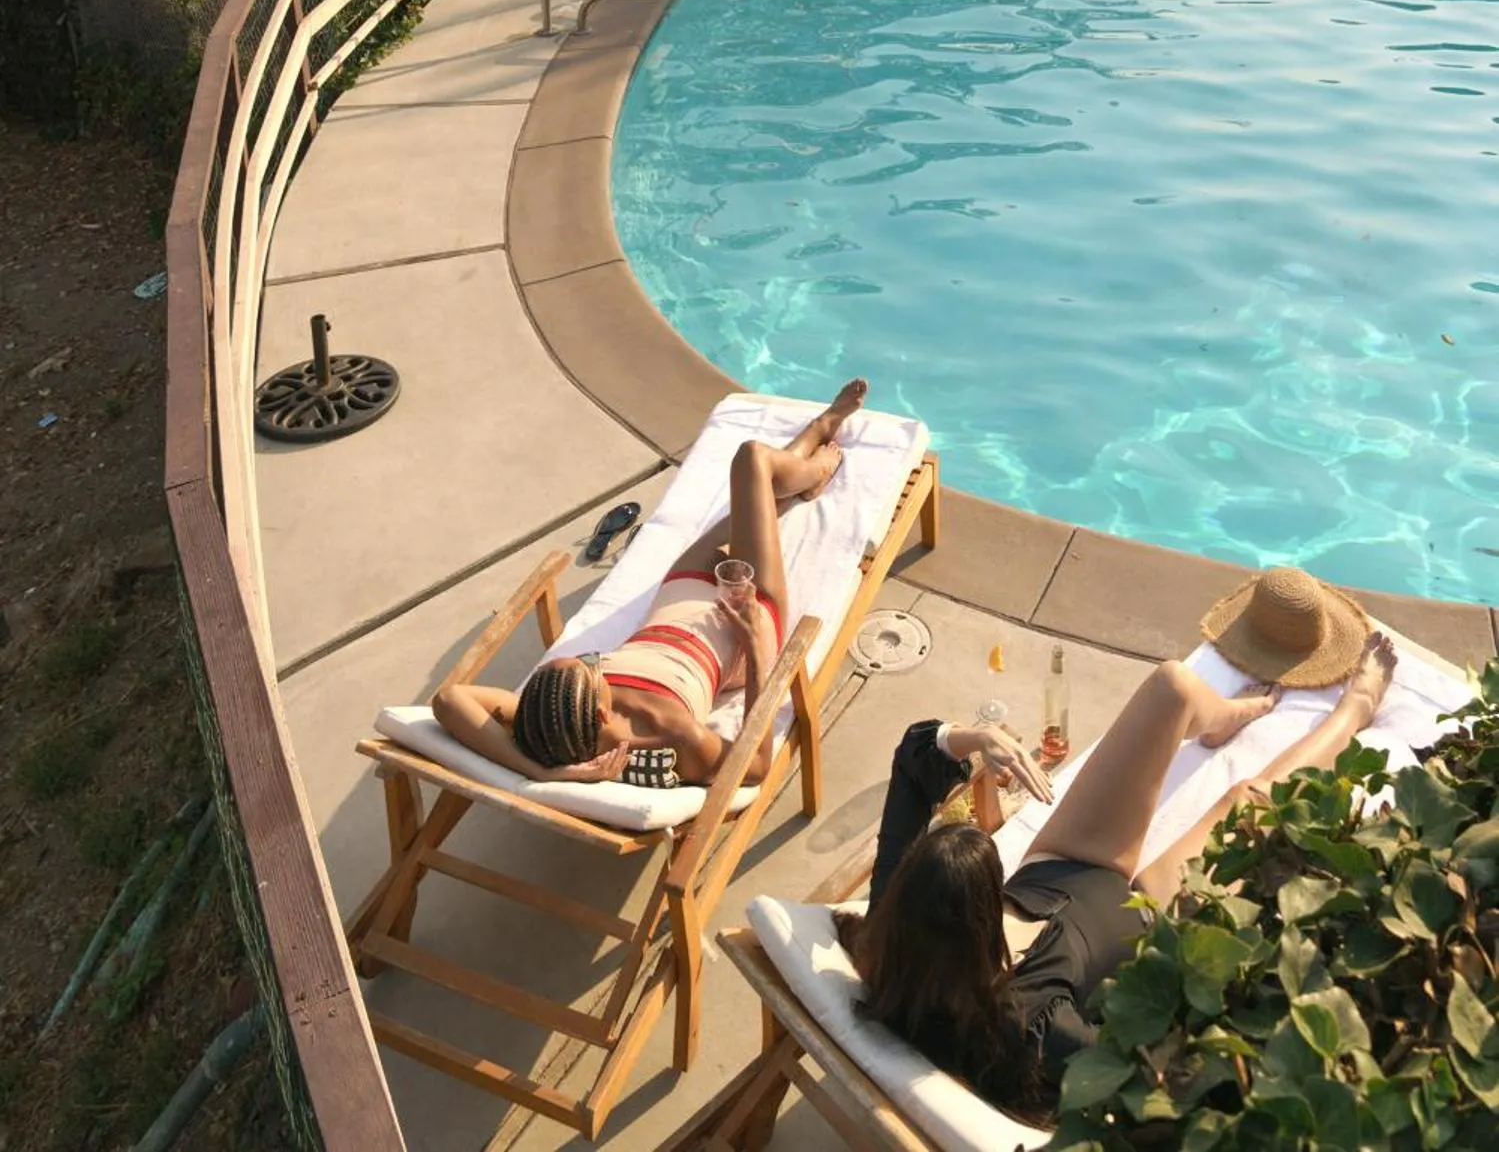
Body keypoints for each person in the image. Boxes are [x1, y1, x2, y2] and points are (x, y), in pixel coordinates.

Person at [845, 569, 1395, 1125]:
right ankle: (1356, 710)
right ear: (981, 918)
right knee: (1244, 801)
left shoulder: (890, 929)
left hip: (1065, 864)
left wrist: (975, 738)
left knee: (1173, 686)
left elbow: (912, 760)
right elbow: (1154, 1080)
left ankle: (1226, 718)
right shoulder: (1035, 1025)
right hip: (1146, 918)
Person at [432, 380, 869, 786]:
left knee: (753, 496)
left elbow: (450, 700)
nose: (593, 661)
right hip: (743, 623)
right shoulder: (669, 732)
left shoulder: (546, 715)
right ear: (602, 714)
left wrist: (545, 776)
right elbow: (753, 768)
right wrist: (756, 648)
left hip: (677, 595)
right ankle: (813, 462)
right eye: (591, 667)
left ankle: (800, 467)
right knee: (751, 459)